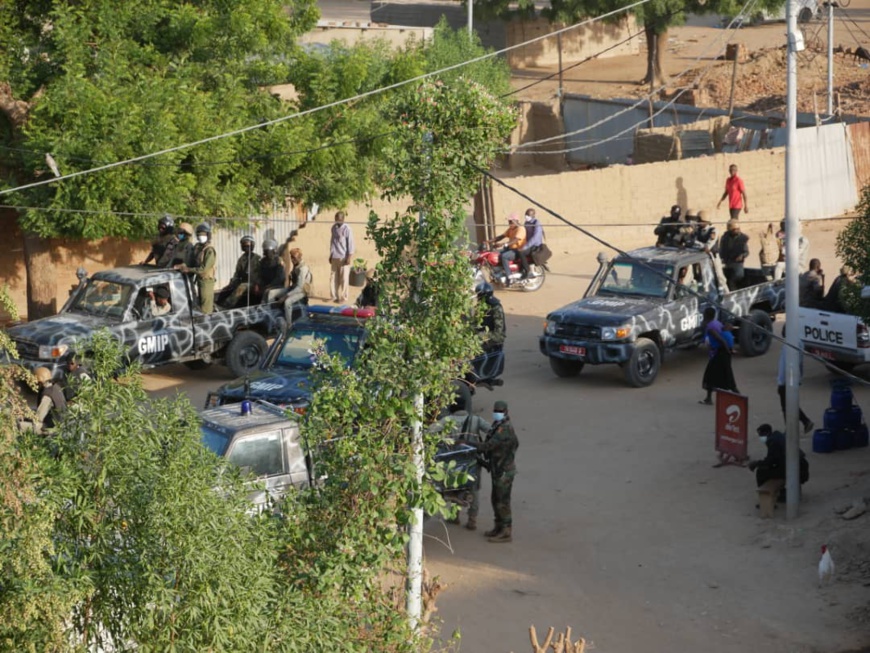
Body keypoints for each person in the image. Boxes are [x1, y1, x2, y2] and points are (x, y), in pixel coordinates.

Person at [459, 399, 518, 543]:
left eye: (500, 411)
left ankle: (506, 531)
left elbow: (487, 446)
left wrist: (467, 443)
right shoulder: (498, 425)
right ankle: (498, 527)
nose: (497, 413)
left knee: (502, 501)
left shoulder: (504, 429)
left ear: (506, 412)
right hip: (498, 468)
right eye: (495, 411)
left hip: (504, 471)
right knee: (495, 499)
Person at [429, 393, 491, 531]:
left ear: (452, 408)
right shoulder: (476, 419)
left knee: (454, 486)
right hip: (473, 459)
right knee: (473, 488)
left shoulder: (447, 420)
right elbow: (491, 430)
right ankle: (472, 519)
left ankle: (455, 516)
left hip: (453, 460)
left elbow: (430, 431)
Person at [748, 424, 809, 495]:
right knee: (774, 470)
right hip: (801, 466)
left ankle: (766, 496)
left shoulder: (772, 442)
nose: (760, 437)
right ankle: (788, 492)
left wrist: (756, 464)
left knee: (761, 472)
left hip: (795, 469)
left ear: (766, 433)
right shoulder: (778, 435)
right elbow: (775, 458)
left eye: (761, 435)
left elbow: (770, 461)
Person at [776, 331, 814, 434]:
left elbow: (784, 365)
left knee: (786, 406)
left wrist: (781, 382)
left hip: (786, 380)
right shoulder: (800, 343)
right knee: (791, 403)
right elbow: (800, 362)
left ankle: (792, 428)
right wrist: (799, 377)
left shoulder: (787, 345)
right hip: (794, 378)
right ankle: (805, 422)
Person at [700, 308, 738, 405]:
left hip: (720, 353)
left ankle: (738, 396)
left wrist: (728, 350)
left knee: (725, 375)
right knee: (713, 375)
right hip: (720, 352)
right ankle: (708, 398)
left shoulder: (710, 328)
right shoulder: (717, 323)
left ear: (706, 315)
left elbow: (721, 339)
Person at [176, 223, 216, 313]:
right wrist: (183, 265)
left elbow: (203, 269)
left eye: (203, 234)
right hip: (199, 280)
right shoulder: (198, 247)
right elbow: (192, 260)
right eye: (199, 234)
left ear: (208, 235)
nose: (200, 236)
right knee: (200, 304)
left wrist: (188, 269)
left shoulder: (209, 250)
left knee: (206, 309)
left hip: (206, 281)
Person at [19, 367, 67, 434]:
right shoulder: (56, 388)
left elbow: (38, 418)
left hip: (51, 430)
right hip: (60, 426)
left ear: (40, 382)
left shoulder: (47, 396)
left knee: (18, 426)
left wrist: (24, 417)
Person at [218, 235, 261, 308]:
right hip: (244, 281)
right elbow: (237, 274)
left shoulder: (257, 258)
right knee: (226, 289)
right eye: (244, 245)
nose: (246, 247)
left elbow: (261, 274)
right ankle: (219, 304)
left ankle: (226, 306)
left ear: (252, 245)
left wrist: (257, 284)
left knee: (242, 287)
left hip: (254, 283)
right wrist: (231, 283)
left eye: (248, 245)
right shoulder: (241, 259)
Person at [486, 213, 526, 285]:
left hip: (517, 250)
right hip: (510, 249)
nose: (509, 223)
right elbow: (501, 237)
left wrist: (503, 244)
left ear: (516, 221)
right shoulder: (511, 229)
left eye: (511, 222)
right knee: (495, 254)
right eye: (509, 222)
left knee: (504, 256)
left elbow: (515, 240)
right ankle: (500, 272)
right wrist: (489, 241)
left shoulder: (521, 229)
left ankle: (509, 277)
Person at [329, 211, 354, 303]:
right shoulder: (333, 228)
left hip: (343, 257)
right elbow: (332, 242)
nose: (337, 221)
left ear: (343, 219)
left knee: (344, 278)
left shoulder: (347, 229)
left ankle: (344, 297)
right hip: (335, 256)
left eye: (339, 219)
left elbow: (350, 243)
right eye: (336, 219)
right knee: (333, 278)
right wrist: (331, 254)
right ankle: (334, 296)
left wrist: (349, 257)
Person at [282, 248, 313, 323]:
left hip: (302, 291)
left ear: (299, 257)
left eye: (294, 258)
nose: (292, 260)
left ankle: (289, 323)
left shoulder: (303, 268)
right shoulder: (296, 265)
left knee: (287, 302)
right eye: (291, 257)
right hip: (294, 288)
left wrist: (286, 296)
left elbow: (299, 288)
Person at [718, 219, 749, 290]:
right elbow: (721, 249)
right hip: (727, 262)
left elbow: (746, 252)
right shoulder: (725, 237)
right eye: (735, 229)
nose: (737, 231)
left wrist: (742, 256)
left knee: (736, 277)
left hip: (737, 263)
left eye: (738, 229)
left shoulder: (742, 238)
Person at [476, 282, 505, 352]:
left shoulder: (496, 308)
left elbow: (498, 334)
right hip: (483, 339)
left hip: (493, 342)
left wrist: (478, 335)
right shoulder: (481, 307)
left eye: (478, 295)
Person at [519, 208, 545, 278]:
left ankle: (528, 271)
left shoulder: (536, 223)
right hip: (528, 244)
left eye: (528, 215)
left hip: (535, 245)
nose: (526, 216)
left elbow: (535, 238)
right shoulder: (526, 223)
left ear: (533, 215)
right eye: (526, 214)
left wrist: (525, 246)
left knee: (521, 252)